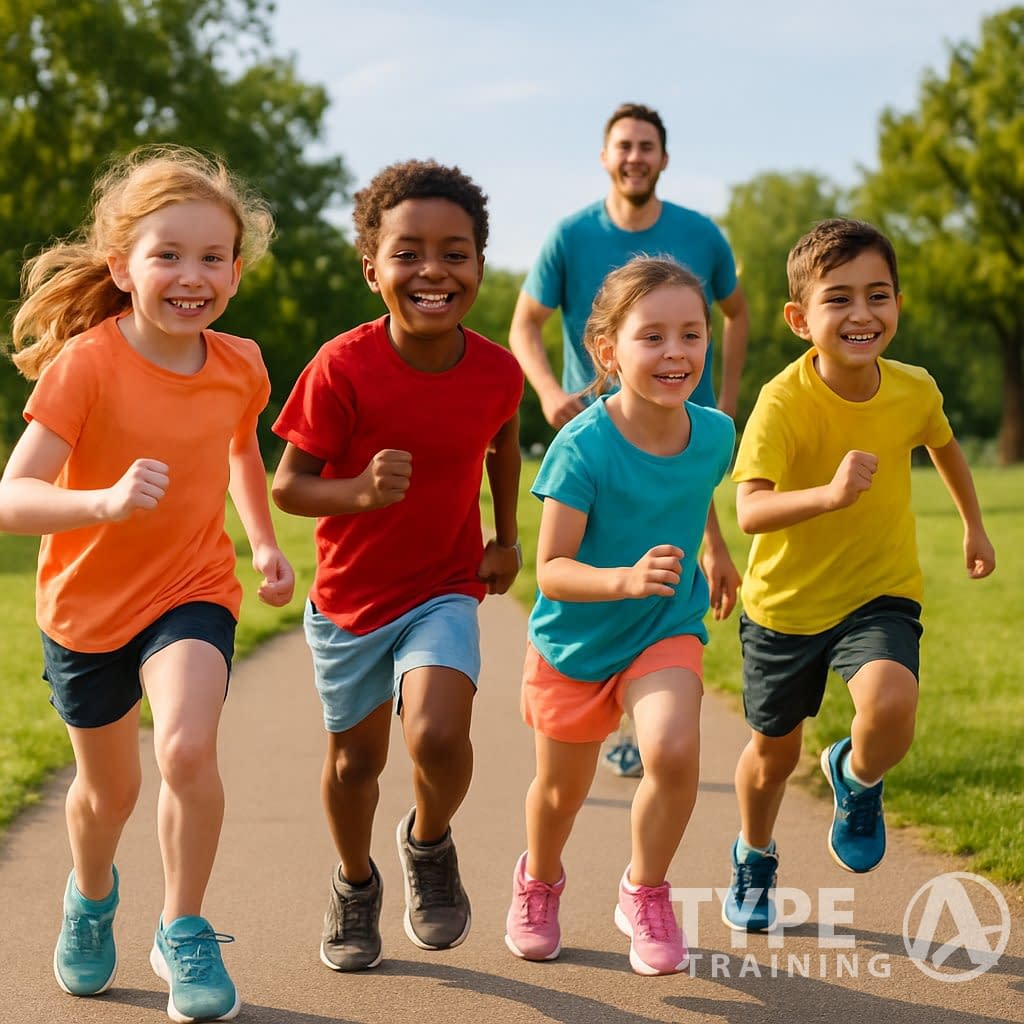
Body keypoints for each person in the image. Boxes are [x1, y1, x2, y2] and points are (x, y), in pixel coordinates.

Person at [0, 145, 295, 1022]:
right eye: (168, 254)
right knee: (108, 793)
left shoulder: (240, 364)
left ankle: (184, 927)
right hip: (85, 610)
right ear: (123, 268)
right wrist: (104, 502)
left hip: (192, 588)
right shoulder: (87, 366)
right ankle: (91, 900)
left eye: (212, 258)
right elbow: (13, 497)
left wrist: (262, 541)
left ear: (235, 273)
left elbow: (242, 446)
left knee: (186, 749)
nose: (191, 275)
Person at [271, 159, 524, 973]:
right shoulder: (342, 367)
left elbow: (505, 443)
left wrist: (507, 536)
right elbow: (290, 488)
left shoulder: (495, 370)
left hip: (444, 585)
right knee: (356, 763)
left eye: (455, 252)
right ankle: (354, 883)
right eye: (408, 251)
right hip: (351, 599)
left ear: (478, 266)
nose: (432, 271)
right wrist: (356, 490)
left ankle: (429, 841)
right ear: (371, 266)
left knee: (440, 735)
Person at [721, 218, 996, 933]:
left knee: (893, 705)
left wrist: (973, 522)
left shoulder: (913, 388)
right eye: (839, 299)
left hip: (879, 590)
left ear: (897, 303)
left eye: (879, 295)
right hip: (785, 607)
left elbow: (945, 445)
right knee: (773, 756)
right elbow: (749, 509)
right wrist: (829, 495)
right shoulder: (782, 402)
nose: (862, 314)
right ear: (798, 318)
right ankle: (754, 854)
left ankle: (858, 777)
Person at [504, 256, 736, 975]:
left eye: (692, 335)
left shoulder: (716, 434)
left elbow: (694, 494)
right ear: (608, 351)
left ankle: (645, 889)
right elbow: (551, 570)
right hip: (575, 641)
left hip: (664, 627)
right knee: (560, 794)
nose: (677, 353)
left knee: (671, 751)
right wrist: (625, 579)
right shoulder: (584, 447)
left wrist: (716, 552)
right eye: (654, 337)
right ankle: (539, 880)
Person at [508, 101, 748, 777]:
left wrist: (724, 399)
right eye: (624, 145)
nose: (635, 156)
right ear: (605, 157)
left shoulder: (700, 234)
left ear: (663, 159)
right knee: (606, 559)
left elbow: (736, 312)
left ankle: (639, 710)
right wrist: (551, 393)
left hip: (678, 420)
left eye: (647, 145)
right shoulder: (569, 236)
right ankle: (605, 696)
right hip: (601, 425)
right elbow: (524, 323)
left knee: (661, 565)